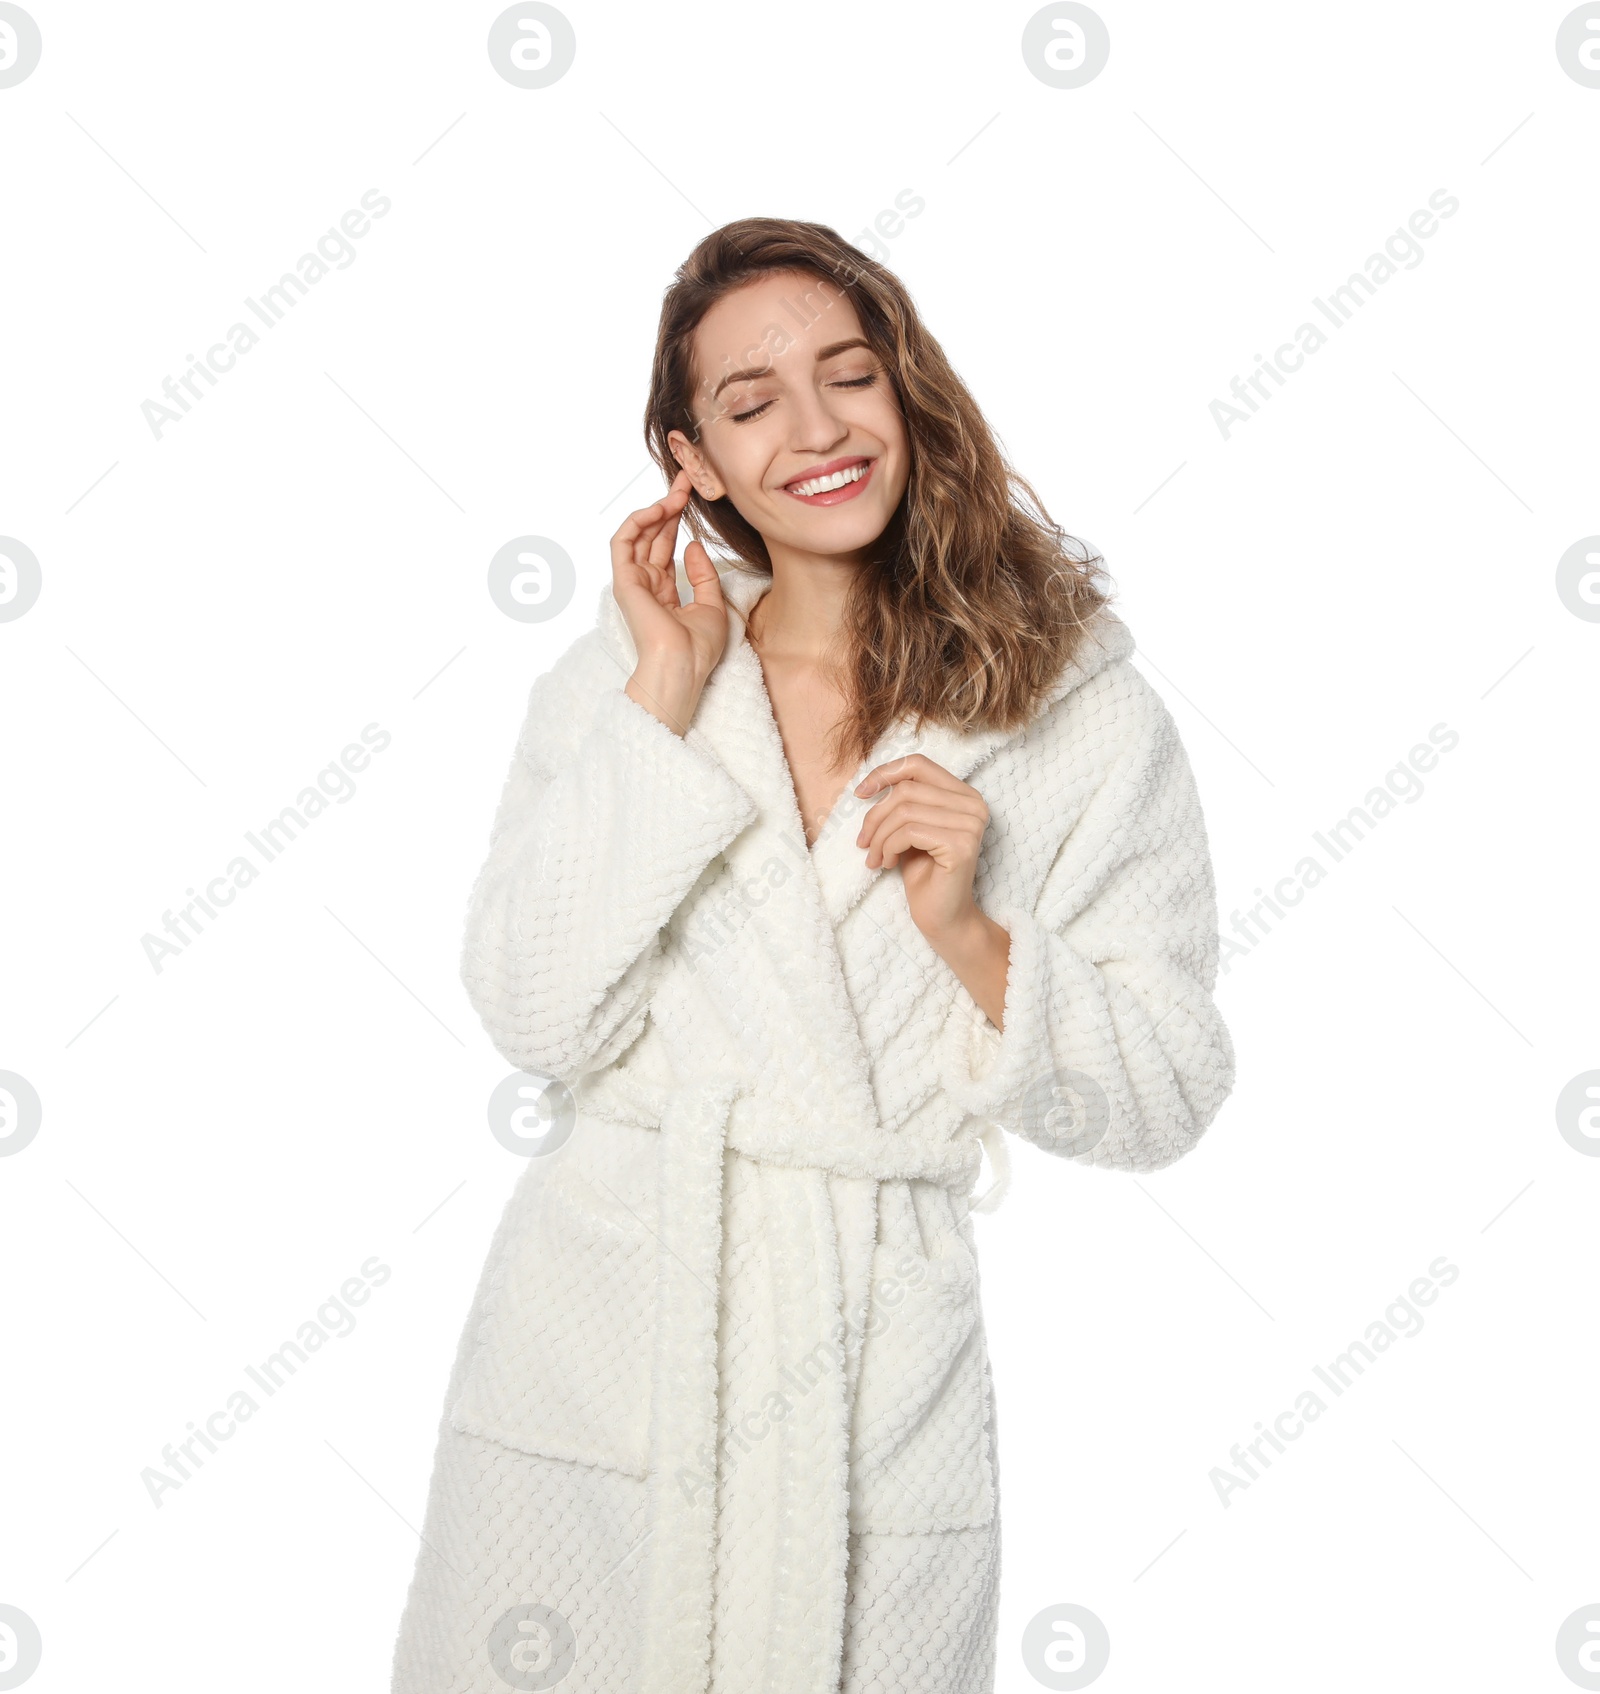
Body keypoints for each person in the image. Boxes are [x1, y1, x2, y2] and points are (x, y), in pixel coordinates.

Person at [391, 217, 1235, 1694]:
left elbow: (1167, 1090)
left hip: (871, 1365)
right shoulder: (621, 680)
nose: (816, 427)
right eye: (749, 399)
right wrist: (664, 693)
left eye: (849, 374)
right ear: (690, 459)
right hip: (606, 1348)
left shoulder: (1069, 707)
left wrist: (973, 935)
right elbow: (531, 1010)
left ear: (907, 393)